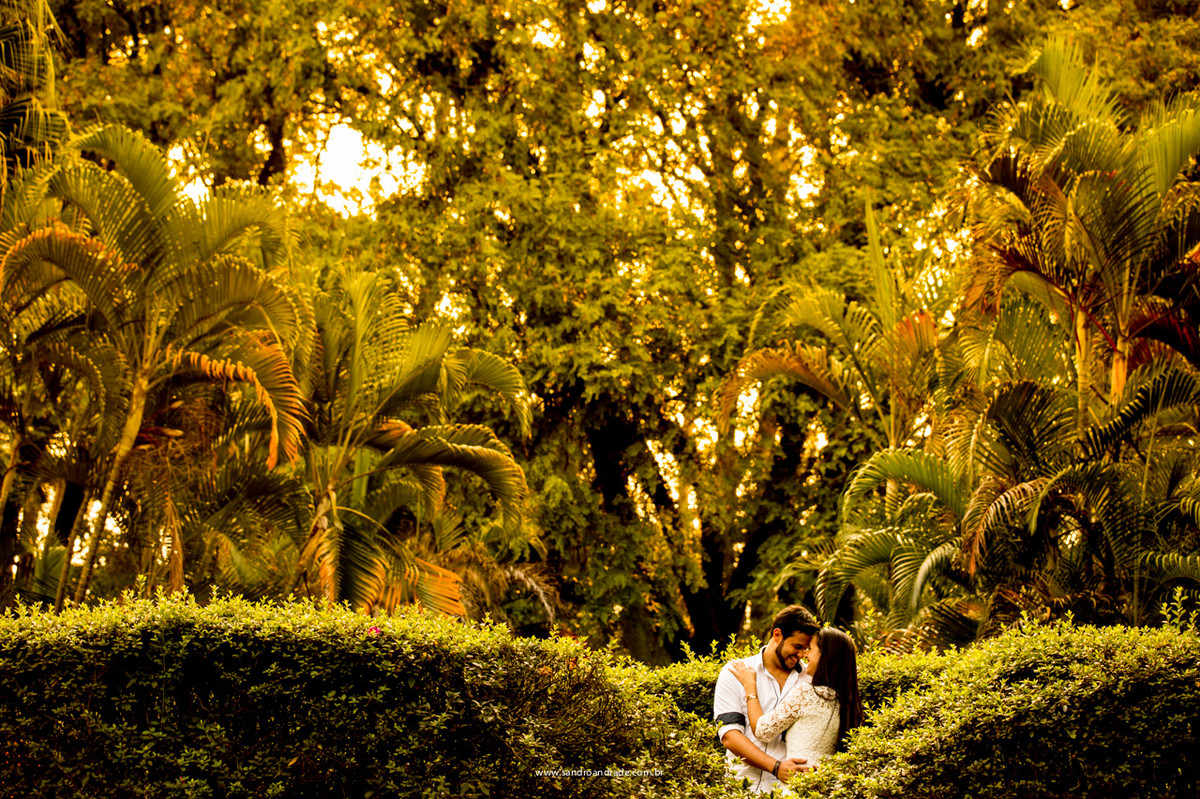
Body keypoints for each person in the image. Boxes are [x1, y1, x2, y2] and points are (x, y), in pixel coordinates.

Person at [730, 626, 864, 777]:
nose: (804, 654)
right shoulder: (848, 703)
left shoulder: (806, 693)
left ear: (824, 656)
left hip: (799, 782)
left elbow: (763, 730)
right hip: (829, 784)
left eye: (810, 648)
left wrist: (750, 687)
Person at [712, 605, 820, 792]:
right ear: (777, 635)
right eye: (797, 646)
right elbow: (729, 736)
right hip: (740, 786)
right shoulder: (735, 672)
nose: (802, 654)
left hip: (788, 790)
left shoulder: (810, 680)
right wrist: (775, 766)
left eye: (806, 649)